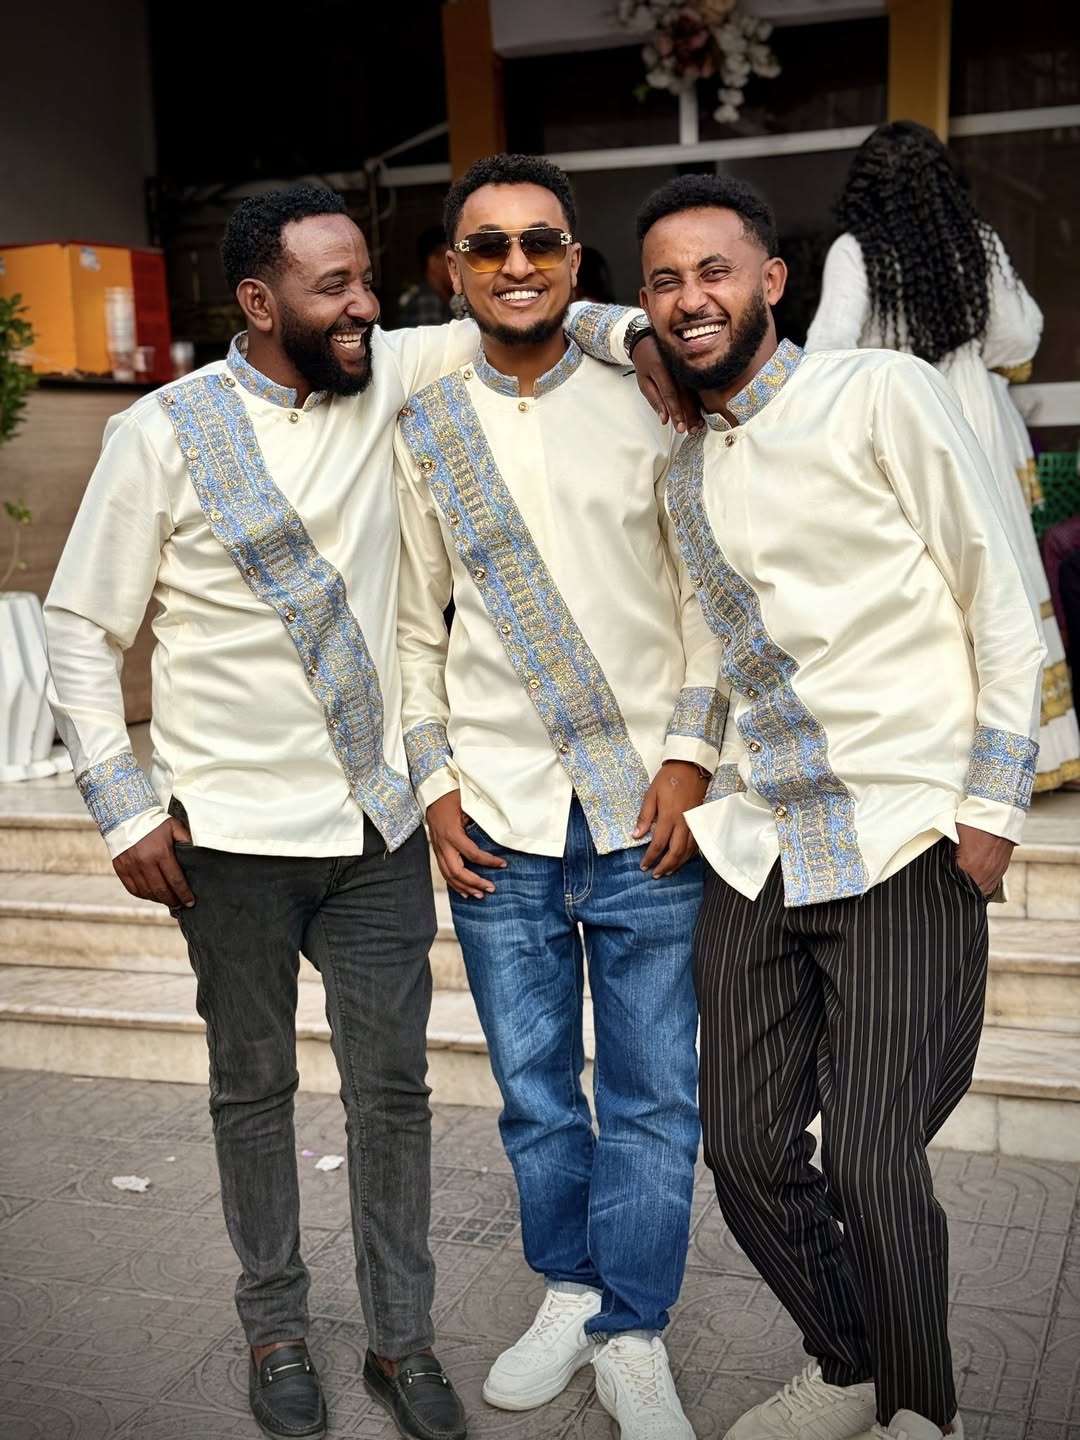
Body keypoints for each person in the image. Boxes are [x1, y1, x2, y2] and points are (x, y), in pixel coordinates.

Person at [42, 183, 681, 1440]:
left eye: (366, 283)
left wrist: (639, 334)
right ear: (258, 301)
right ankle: (276, 1327)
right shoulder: (162, 432)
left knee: (393, 1099)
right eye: (332, 287)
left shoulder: (384, 368)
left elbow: (526, 301)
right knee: (251, 1092)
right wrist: (123, 808)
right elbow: (78, 625)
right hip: (226, 839)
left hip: (377, 832)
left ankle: (402, 1342)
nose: (363, 307)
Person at [636, 172, 1045, 1440]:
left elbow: (996, 588)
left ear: (774, 280)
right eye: (663, 282)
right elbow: (706, 646)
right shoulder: (684, 471)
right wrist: (687, 761)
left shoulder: (881, 392)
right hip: (759, 842)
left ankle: (923, 1410)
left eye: (715, 270)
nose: (689, 299)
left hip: (904, 825)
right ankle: (850, 1362)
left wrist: (995, 802)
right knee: (745, 1151)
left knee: (871, 1153)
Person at [394, 153, 725, 1440]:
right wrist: (433, 783)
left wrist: (692, 758)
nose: (517, 265)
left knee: (653, 1091)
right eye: (489, 247)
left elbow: (708, 595)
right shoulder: (426, 420)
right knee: (535, 1088)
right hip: (500, 815)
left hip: (645, 810)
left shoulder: (651, 396)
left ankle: (631, 1331)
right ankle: (571, 1291)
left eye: (541, 242)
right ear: (455, 269)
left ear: (577, 262)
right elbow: (413, 626)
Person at [805, 119, 1080, 792]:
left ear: (865, 188)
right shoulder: (977, 241)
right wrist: (969, 357)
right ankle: (1027, 756)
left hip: (895, 417)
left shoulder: (856, 251)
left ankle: (938, 754)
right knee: (999, 576)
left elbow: (827, 352)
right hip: (975, 416)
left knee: (917, 581)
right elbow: (1019, 336)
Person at [398, 224, 456, 326]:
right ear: (434, 262)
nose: (457, 266)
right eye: (451, 259)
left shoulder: (439, 299)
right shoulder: (427, 302)